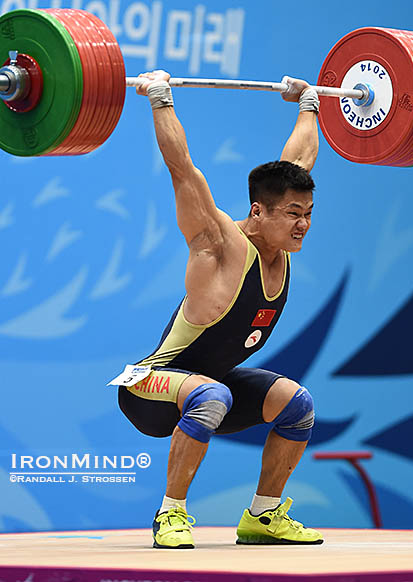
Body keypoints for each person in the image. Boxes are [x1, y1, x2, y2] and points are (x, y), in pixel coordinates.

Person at [117, 69, 323, 549]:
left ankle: (263, 516)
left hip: (210, 389)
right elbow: (183, 169)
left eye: (308, 214)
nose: (303, 225)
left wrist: (310, 105)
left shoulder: (279, 244)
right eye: (293, 214)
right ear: (258, 212)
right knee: (212, 395)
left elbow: (297, 162)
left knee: (297, 405)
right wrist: (160, 99)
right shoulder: (218, 244)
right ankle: (171, 515)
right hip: (149, 387)